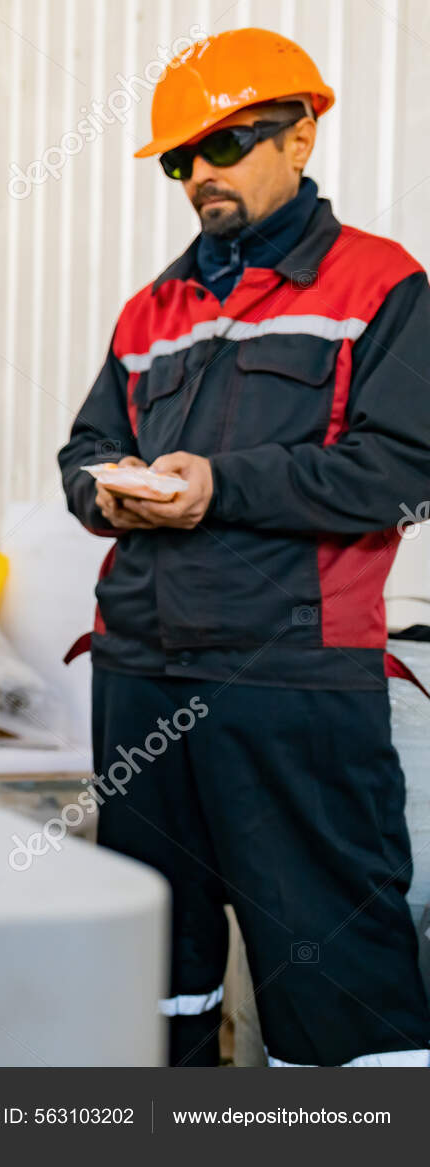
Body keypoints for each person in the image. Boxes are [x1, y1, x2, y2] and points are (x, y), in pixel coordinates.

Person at [58, 27, 430, 1067]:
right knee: (150, 973)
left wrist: (218, 486)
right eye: (181, 159)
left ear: (300, 134)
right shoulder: (153, 309)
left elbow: (398, 471)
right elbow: (84, 449)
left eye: (225, 147)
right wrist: (108, 494)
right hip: (138, 674)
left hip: (290, 683)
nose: (199, 178)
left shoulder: (380, 287)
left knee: (334, 984)